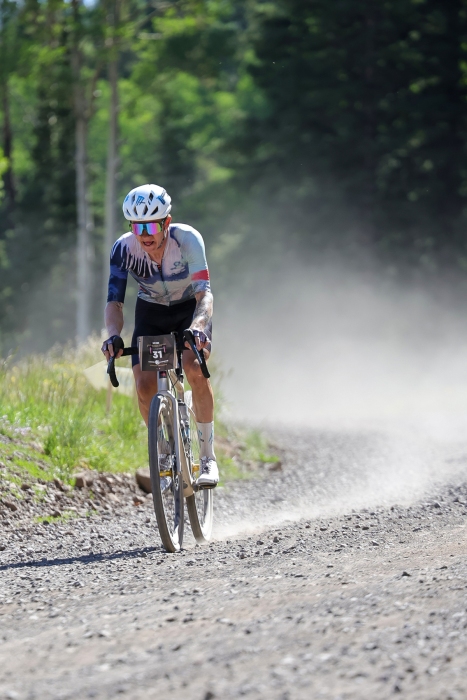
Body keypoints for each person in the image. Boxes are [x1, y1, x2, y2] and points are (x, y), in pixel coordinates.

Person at [101, 183, 218, 488]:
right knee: (143, 385)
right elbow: (114, 301)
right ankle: (164, 453)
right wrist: (113, 335)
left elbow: (204, 293)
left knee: (194, 367)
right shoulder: (123, 249)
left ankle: (207, 457)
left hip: (188, 310)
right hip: (151, 311)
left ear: (166, 222)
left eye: (152, 225)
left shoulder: (188, 239)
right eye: (138, 227)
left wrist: (199, 325)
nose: (145, 234)